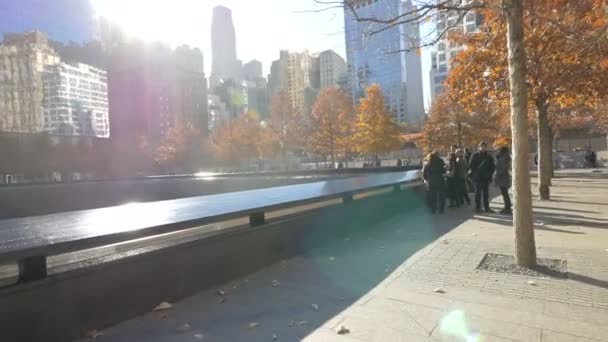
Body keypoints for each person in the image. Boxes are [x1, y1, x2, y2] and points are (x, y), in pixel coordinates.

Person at [468, 142, 496, 213]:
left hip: (486, 178)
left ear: (486, 147)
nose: (483, 148)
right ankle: (478, 208)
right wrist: (476, 172)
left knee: (486, 194)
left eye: (484, 146)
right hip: (478, 178)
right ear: (479, 147)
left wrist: (489, 174)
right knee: (478, 193)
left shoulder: (489, 157)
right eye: (481, 146)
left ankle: (487, 207)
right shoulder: (475, 156)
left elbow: (493, 167)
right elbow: (471, 165)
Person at [495, 146, 512, 215]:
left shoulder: (504, 158)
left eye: (499, 149)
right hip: (503, 177)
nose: (498, 150)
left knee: (505, 193)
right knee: (504, 193)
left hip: (503, 177)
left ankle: (507, 208)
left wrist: (498, 175)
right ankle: (506, 207)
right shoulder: (502, 157)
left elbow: (502, 168)